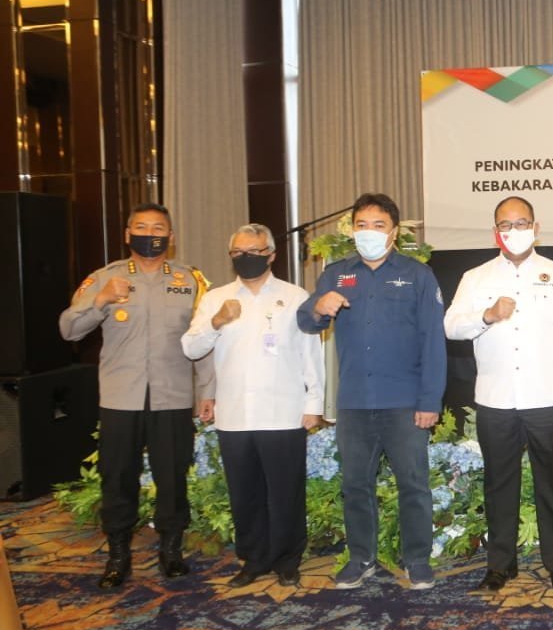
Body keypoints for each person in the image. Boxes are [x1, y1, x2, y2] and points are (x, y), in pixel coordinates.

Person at [444, 197, 553, 592]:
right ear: (495, 232)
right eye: (506, 224)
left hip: (549, 398)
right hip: (495, 400)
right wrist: (487, 315)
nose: (514, 231)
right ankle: (500, 565)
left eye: (522, 223)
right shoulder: (475, 277)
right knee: (499, 484)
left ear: (536, 227)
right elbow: (451, 326)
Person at [58, 202, 213, 590]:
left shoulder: (190, 280)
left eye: (158, 228)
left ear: (171, 237)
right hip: (120, 398)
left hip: (172, 397)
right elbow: (68, 329)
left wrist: (207, 392)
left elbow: (205, 341)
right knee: (117, 477)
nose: (150, 234)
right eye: (141, 227)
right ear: (127, 234)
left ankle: (171, 551)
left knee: (172, 476)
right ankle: (118, 555)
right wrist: (100, 301)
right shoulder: (104, 278)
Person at [297, 193, 446, 590]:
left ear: (394, 232)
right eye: (361, 225)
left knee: (413, 484)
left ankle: (417, 559)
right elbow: (306, 322)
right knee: (355, 485)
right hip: (355, 402)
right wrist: (318, 307)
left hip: (405, 402)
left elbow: (433, 342)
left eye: (378, 226)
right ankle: (360, 557)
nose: (369, 232)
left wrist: (430, 401)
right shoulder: (337, 274)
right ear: (352, 230)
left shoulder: (417, 275)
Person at [181, 224, 324, 588]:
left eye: (254, 252)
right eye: (238, 253)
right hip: (235, 415)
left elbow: (311, 354)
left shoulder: (295, 296)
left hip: (284, 411)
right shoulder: (216, 299)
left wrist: (314, 402)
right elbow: (191, 348)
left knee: (286, 492)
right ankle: (253, 559)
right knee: (244, 493)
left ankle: (288, 559)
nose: (246, 258)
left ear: (271, 255)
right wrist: (216, 322)